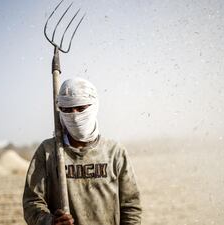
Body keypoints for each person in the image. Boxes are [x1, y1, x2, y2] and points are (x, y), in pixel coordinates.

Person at [22, 78, 142, 225]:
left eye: (80, 108)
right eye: (67, 110)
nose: (74, 115)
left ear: (94, 106)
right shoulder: (48, 152)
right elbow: (32, 203)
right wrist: (50, 221)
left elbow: (131, 206)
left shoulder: (114, 152)